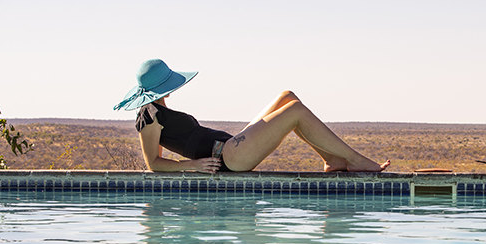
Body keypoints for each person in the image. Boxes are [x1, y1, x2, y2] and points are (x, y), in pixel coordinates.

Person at [114, 59, 390, 173]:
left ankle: (331, 159)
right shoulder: (148, 116)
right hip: (228, 157)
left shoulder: (159, 110)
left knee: (287, 96)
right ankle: (354, 160)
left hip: (231, 146)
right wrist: (194, 166)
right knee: (294, 112)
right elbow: (154, 163)